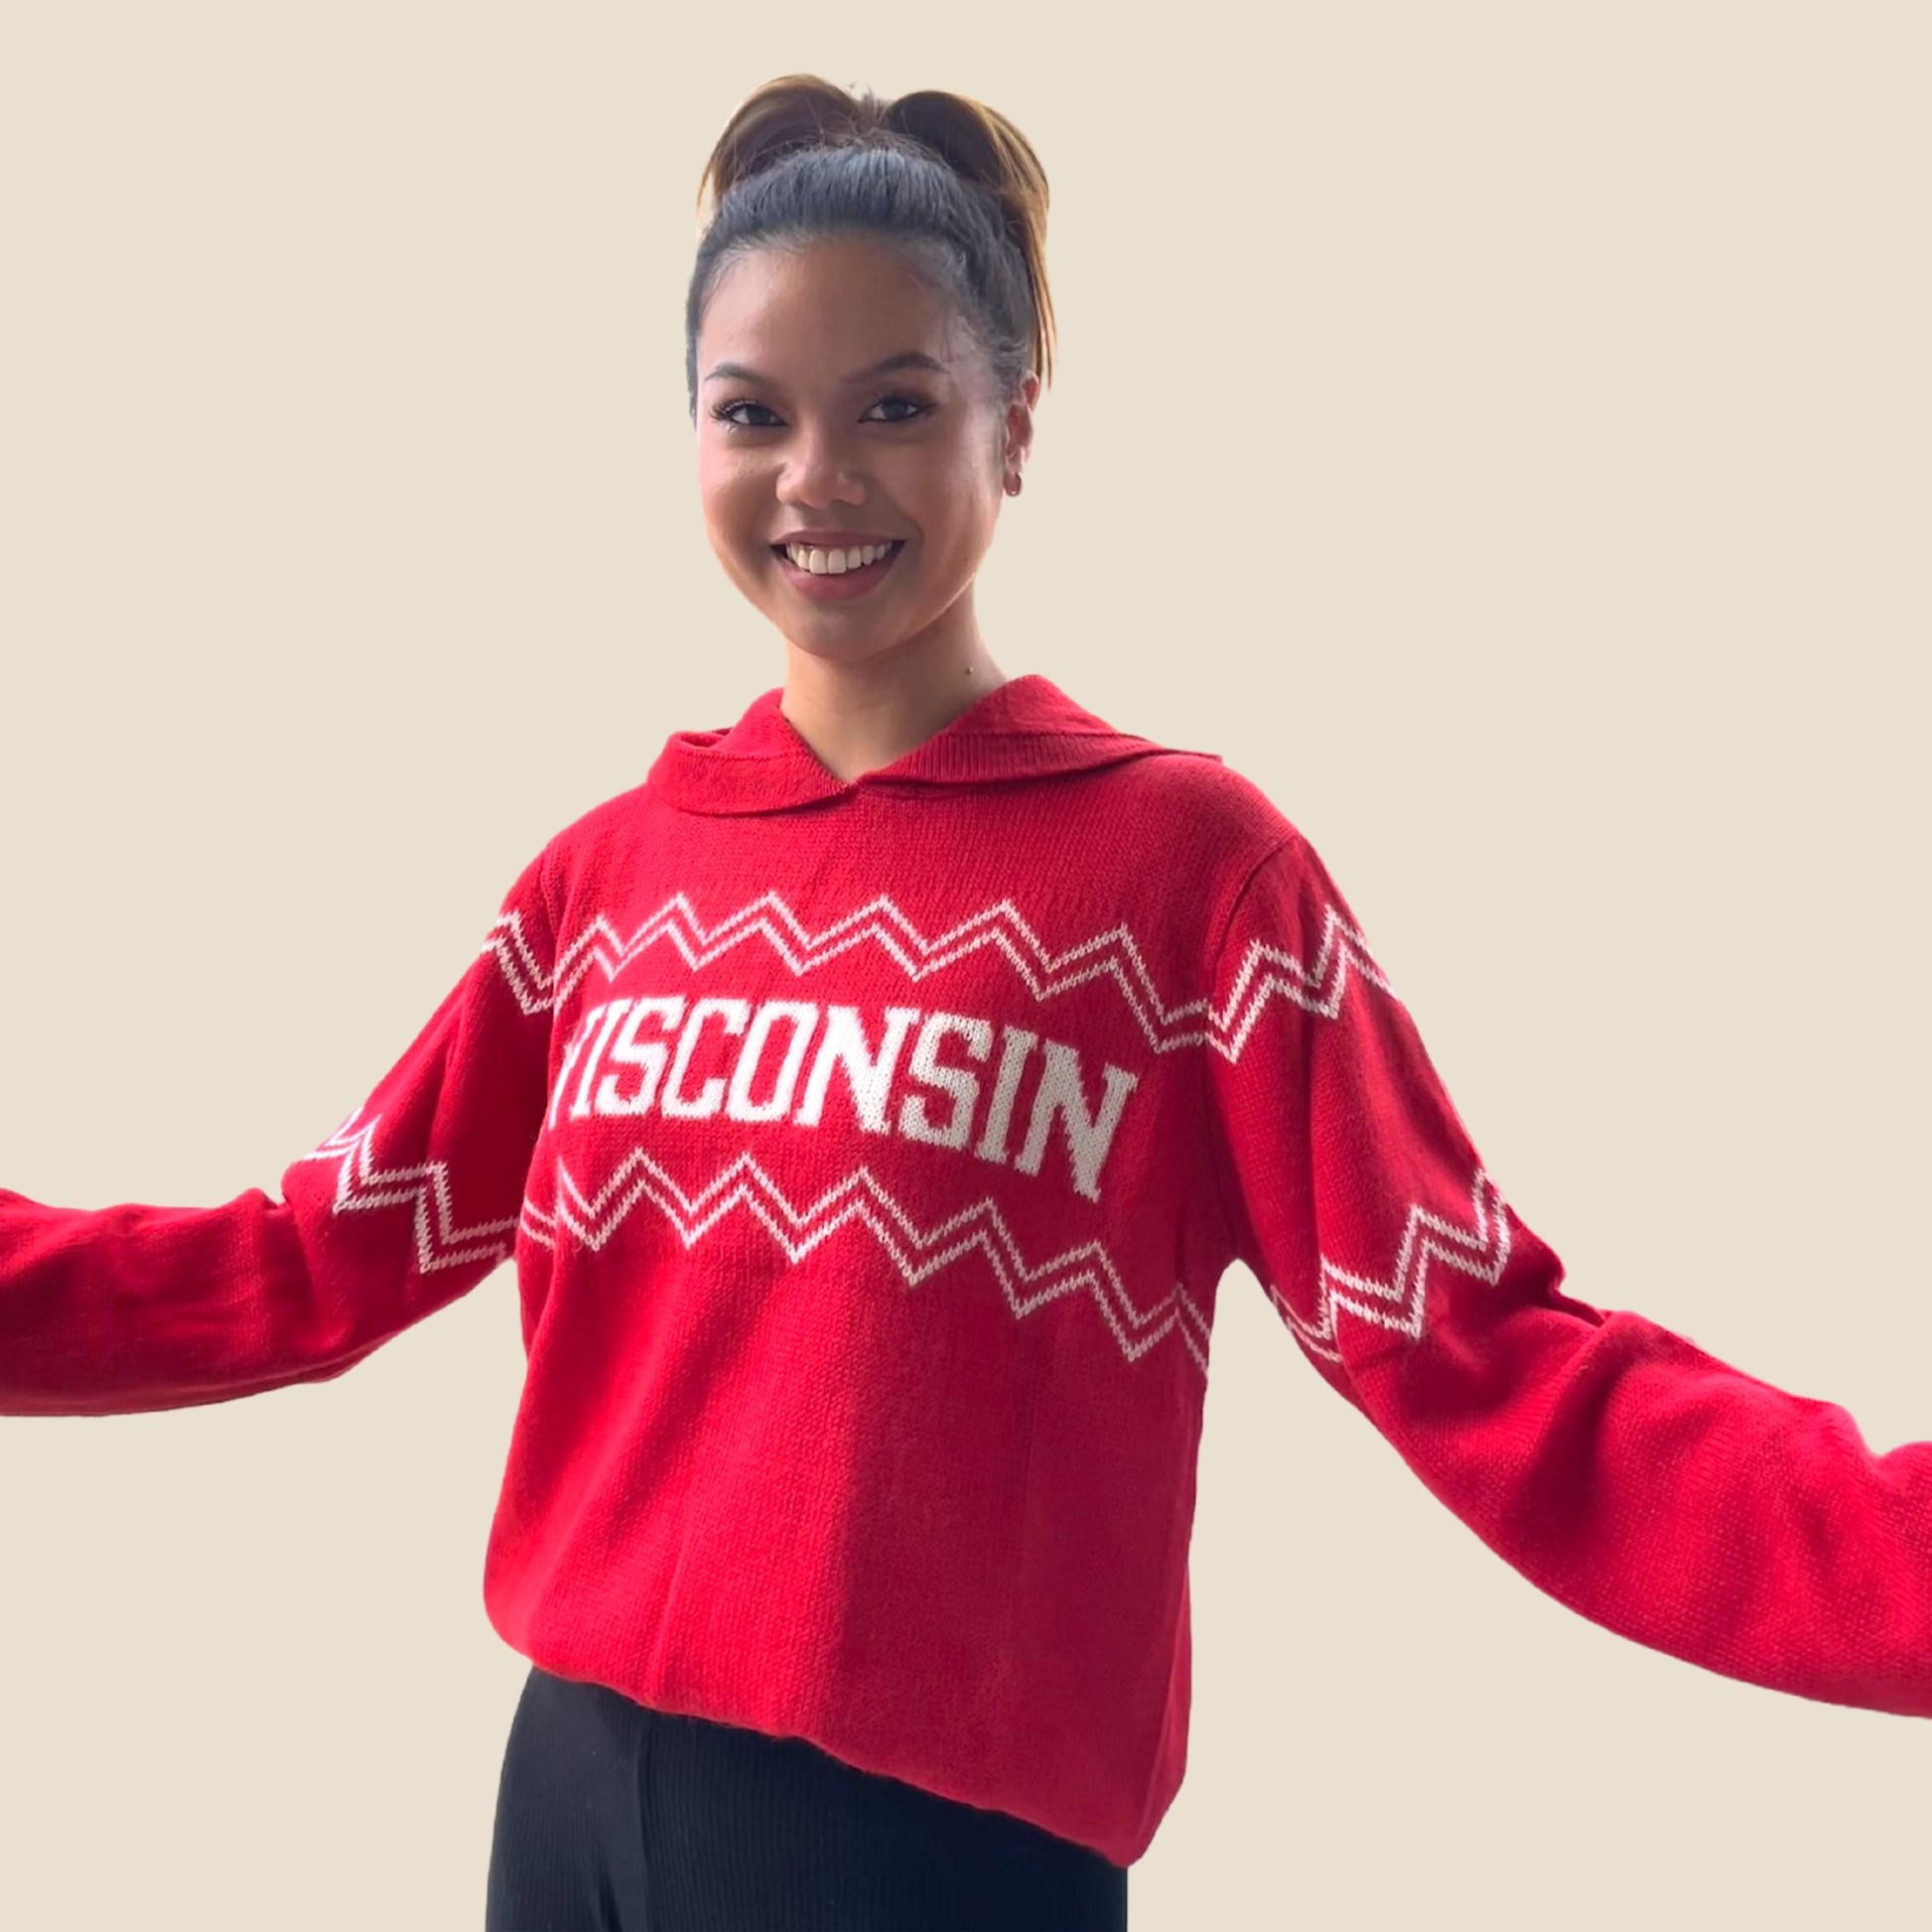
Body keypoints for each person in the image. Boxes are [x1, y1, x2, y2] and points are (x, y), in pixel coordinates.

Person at [4, 69, 1930, 1932]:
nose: (815, 479)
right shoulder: (605, 876)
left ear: (1016, 425)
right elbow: (308, 1261)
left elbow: (1479, 1355)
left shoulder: (1190, 878)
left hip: (921, 1852)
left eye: (896, 405)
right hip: (564, 1793)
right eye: (749, 410)